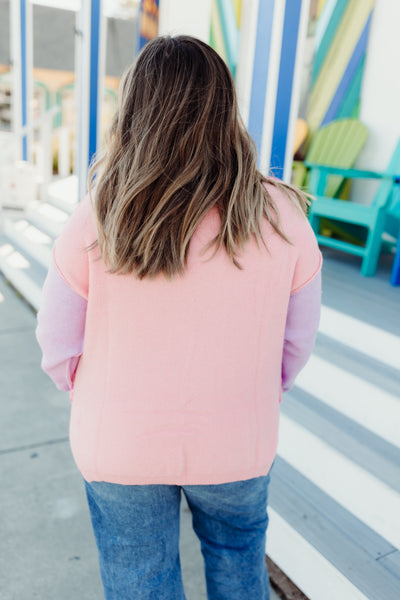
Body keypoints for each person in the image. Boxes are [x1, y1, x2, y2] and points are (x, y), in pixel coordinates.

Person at [35, 35, 322, 600]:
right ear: (224, 108)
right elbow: (297, 342)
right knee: (240, 564)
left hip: (117, 441)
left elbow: (56, 343)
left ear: (137, 109)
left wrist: (102, 400)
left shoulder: (99, 214)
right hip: (239, 437)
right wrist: (261, 390)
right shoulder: (283, 213)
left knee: (140, 582)